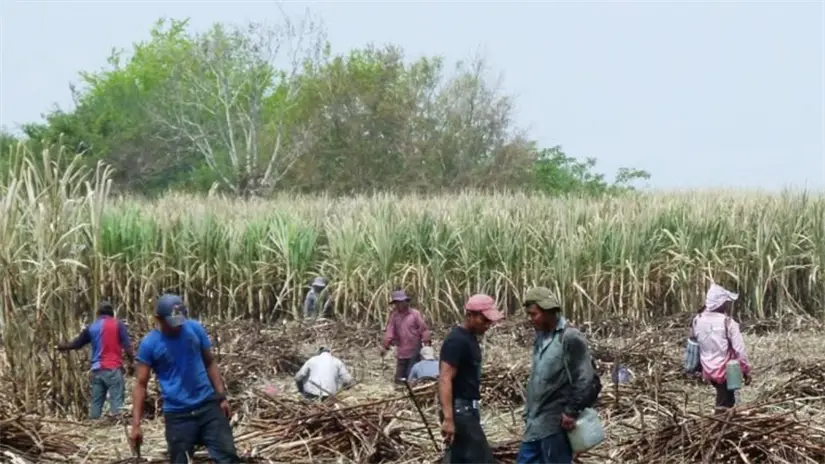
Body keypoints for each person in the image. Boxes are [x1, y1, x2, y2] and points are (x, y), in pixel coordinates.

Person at [130, 294, 239, 464]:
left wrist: (221, 396)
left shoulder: (195, 329)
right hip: (178, 415)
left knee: (228, 457)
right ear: (158, 319)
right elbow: (140, 385)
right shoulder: (150, 344)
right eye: (172, 323)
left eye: (180, 321)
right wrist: (136, 424)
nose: (178, 327)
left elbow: (210, 363)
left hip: (208, 406)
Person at [518, 287, 598, 464]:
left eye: (534, 314)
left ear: (548, 312)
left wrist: (571, 411)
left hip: (556, 425)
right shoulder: (541, 337)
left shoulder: (570, 337)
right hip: (535, 422)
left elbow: (585, 378)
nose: (531, 319)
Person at [439, 294, 504, 464]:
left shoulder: (469, 339)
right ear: (470, 316)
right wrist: (448, 419)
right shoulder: (456, 340)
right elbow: (445, 378)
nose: (488, 325)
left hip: (468, 410)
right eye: (484, 320)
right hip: (461, 412)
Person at [56, 300, 134, 419]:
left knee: (96, 402)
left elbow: (77, 344)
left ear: (98, 314)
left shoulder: (91, 327)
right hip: (113, 368)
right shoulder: (118, 325)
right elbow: (127, 347)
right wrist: (133, 361)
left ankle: (94, 422)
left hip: (97, 370)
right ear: (112, 313)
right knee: (117, 399)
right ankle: (117, 423)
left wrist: (61, 346)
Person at [692, 283, 751, 413]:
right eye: (726, 302)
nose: (727, 305)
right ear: (720, 304)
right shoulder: (728, 323)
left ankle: (723, 422)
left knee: (726, 397)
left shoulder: (698, 320)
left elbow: (695, 342)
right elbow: (739, 350)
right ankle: (720, 425)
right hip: (727, 370)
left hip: (707, 368)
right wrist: (746, 370)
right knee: (725, 400)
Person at [381, 290, 431, 384]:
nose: (399, 305)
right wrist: (385, 345)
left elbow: (424, 329)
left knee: (410, 376)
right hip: (402, 352)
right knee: (399, 379)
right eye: (397, 303)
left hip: (414, 350)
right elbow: (390, 332)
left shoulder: (414, 314)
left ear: (406, 302)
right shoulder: (394, 316)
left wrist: (426, 343)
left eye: (401, 302)